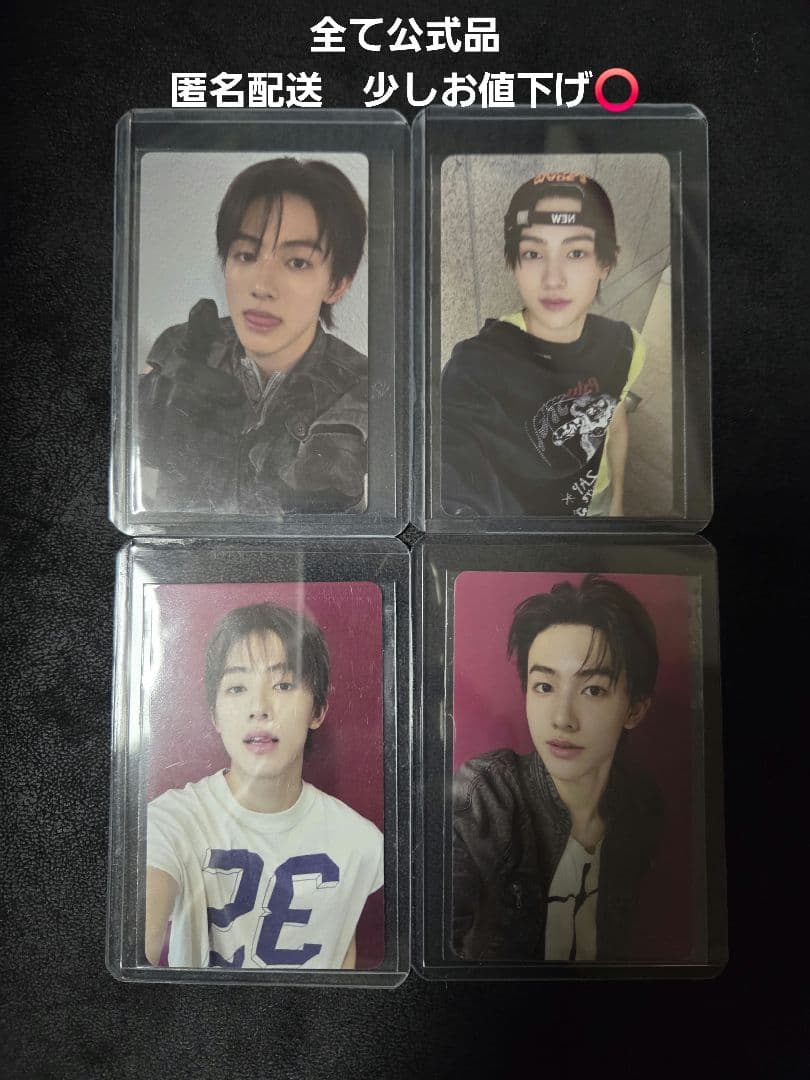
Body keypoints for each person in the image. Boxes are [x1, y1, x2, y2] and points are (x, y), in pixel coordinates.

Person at [145, 602, 383, 969]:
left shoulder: (360, 842)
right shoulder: (168, 823)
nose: (259, 707)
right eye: (237, 687)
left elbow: (342, 955)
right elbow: (135, 942)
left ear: (318, 710)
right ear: (215, 714)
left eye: (283, 684)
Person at [138, 157, 368, 515]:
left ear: (336, 284)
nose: (261, 285)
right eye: (246, 255)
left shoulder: (366, 390)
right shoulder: (179, 353)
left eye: (297, 262)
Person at [452, 575, 662, 962]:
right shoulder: (484, 798)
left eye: (593, 690)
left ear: (635, 709)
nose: (562, 718)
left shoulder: (642, 807)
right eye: (544, 687)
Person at [441, 171, 645, 518]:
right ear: (515, 264)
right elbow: (454, 458)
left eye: (576, 252)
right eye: (534, 253)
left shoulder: (627, 345)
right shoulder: (475, 366)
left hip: (595, 499)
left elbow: (615, 416)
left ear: (607, 262)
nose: (553, 278)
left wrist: (617, 501)